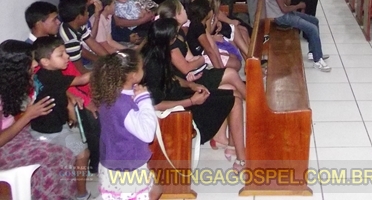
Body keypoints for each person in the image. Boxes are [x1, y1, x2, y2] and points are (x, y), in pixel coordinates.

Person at [141, 19, 246, 172]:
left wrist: (191, 85)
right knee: (235, 99)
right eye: (175, 36)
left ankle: (232, 146)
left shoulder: (157, 51)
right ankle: (242, 158)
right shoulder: (152, 65)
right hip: (177, 112)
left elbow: (171, 77)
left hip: (181, 95)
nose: (177, 38)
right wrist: (191, 101)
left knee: (229, 89)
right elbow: (156, 105)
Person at [0, 40, 76, 200]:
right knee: (55, 159)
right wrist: (28, 115)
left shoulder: (11, 83)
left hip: (16, 134)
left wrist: (68, 95)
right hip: (5, 144)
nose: (35, 64)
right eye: (31, 62)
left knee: (65, 154)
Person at [91, 50, 162, 200]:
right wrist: (144, 100)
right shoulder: (123, 105)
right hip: (127, 167)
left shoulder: (108, 93)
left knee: (155, 189)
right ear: (133, 76)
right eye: (142, 67)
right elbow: (147, 134)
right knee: (152, 192)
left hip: (111, 160)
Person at [31, 36, 91, 200]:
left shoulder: (43, 74)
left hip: (48, 124)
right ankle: (82, 194)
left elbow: (58, 89)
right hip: (49, 131)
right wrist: (105, 67)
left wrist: (70, 100)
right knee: (83, 154)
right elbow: (83, 79)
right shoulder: (53, 77)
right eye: (61, 54)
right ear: (45, 61)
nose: (67, 57)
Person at [267, 0, 331, 71]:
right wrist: (299, 6)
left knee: (314, 20)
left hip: (284, 14)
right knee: (312, 28)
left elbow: (287, 3)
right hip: (280, 17)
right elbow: (285, 9)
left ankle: (313, 52)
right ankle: (318, 61)